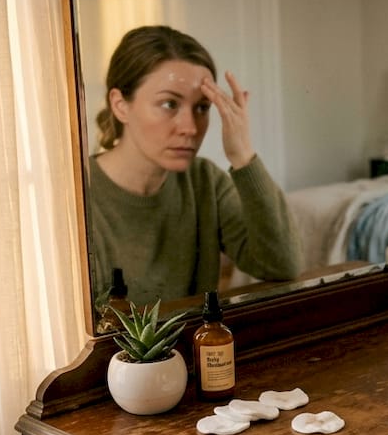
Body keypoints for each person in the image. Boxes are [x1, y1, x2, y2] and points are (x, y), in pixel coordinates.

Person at [86, 25, 302, 315]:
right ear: (120, 105)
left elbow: (283, 265)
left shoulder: (205, 181)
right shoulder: (78, 197)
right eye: (169, 104)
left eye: (202, 107)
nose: (190, 128)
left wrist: (243, 156)